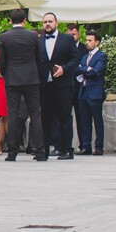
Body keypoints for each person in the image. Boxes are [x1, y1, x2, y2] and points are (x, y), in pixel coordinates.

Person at [0, 7, 46, 161]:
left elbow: (1, 62)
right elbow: (40, 59)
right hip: (31, 78)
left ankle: (12, 152)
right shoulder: (33, 36)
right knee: (35, 114)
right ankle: (40, 151)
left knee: (13, 114)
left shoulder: (4, 37)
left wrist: (5, 73)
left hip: (12, 79)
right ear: (25, 21)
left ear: (11, 21)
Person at [38, 13, 79, 159]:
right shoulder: (39, 40)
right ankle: (44, 151)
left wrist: (64, 69)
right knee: (45, 118)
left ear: (57, 23)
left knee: (65, 117)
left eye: (50, 21)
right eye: (45, 22)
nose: (47, 24)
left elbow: (75, 59)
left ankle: (67, 149)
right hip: (45, 85)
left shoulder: (67, 39)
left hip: (64, 85)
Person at [76, 31, 108, 155]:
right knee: (84, 121)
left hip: (95, 92)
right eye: (87, 40)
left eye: (90, 40)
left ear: (97, 42)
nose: (87, 43)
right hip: (83, 91)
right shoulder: (84, 57)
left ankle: (99, 147)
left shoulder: (101, 56)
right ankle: (86, 146)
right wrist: (86, 69)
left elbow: (96, 72)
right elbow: (77, 70)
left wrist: (85, 70)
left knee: (97, 121)